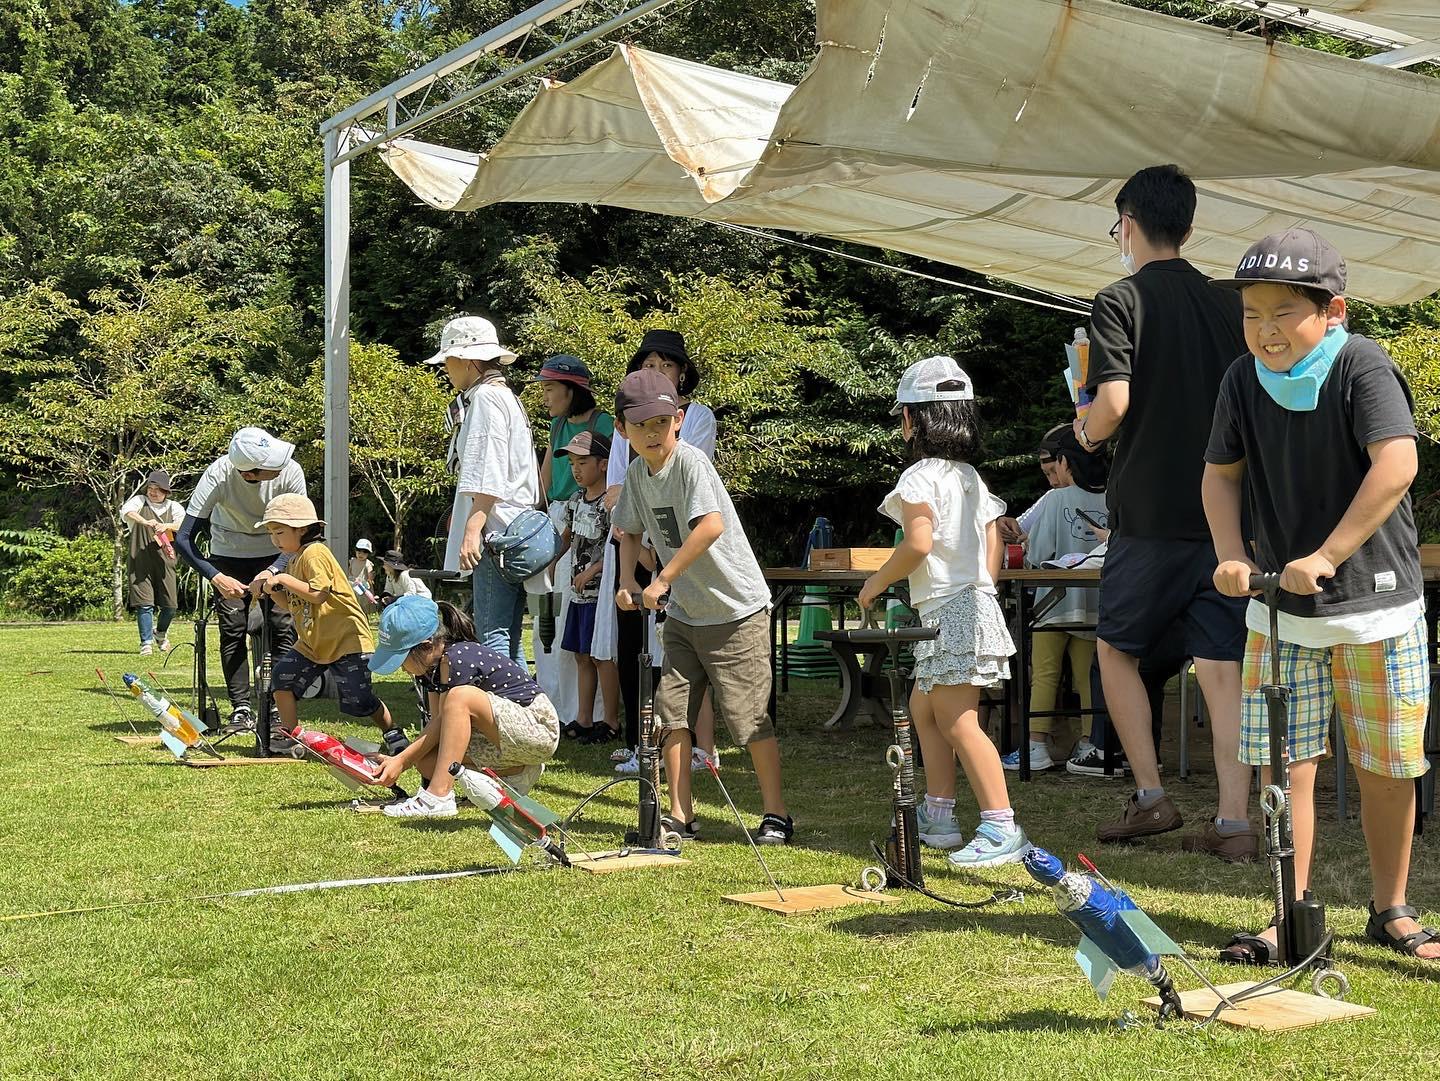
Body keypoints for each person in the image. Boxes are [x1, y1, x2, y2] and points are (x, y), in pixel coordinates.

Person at [1204, 228, 1438, 964]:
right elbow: (1219, 475)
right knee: (1286, 769)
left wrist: (1328, 556)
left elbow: (1397, 464)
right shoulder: (1242, 379)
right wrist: (1231, 554)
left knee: (1387, 768)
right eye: (1252, 313)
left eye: (1283, 312)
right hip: (1280, 613)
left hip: (1377, 608)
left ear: (1332, 310)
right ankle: (1291, 916)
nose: (1265, 329)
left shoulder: (1362, 364)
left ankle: (1392, 908)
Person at [1074, 164, 1255, 860]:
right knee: (1222, 664)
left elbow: (1113, 403)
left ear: (1127, 224)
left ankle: (1150, 795)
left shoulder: (1119, 299)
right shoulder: (1228, 303)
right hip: (1227, 515)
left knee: (1115, 649)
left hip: (1149, 513)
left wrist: (1084, 431)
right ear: (1188, 223)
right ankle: (1235, 822)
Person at [858, 356, 1030, 868]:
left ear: (912, 419)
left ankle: (1001, 826)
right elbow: (994, 540)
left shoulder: (919, 477)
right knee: (924, 711)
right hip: (965, 606)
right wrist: (982, 590)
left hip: (952, 611)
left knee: (957, 720)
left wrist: (876, 582)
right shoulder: (971, 478)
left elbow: (917, 543)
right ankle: (939, 815)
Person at [612, 368, 792, 843]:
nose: (652, 433)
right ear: (622, 429)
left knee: (748, 719)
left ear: (678, 419)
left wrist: (662, 578)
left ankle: (776, 814)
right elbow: (628, 530)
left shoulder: (690, 463)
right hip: (685, 616)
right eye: (640, 425)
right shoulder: (636, 474)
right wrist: (627, 579)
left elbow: (710, 525)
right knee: (671, 713)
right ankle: (681, 815)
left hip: (736, 611)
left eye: (661, 422)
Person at [601, 329, 720, 774]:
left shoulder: (698, 417)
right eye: (647, 364)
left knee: (683, 651)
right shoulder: (625, 421)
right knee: (633, 644)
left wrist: (658, 553)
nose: (656, 371)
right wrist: (635, 542)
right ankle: (640, 743)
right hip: (632, 540)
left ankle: (698, 746)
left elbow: (683, 479)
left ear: (682, 372)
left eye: (665, 364)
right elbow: (616, 490)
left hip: (681, 545)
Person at [370, 596, 560, 818]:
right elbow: (438, 727)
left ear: (427, 646)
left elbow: (444, 717)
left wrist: (402, 760)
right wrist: (404, 759)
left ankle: (438, 797)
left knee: (459, 696)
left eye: (402, 659)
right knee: (427, 760)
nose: (402, 668)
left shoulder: (457, 658)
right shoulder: (430, 669)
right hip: (508, 739)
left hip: (538, 728)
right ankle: (517, 772)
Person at [174, 426, 306, 735]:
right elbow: (183, 538)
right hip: (228, 553)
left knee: (282, 626)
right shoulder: (218, 475)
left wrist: (274, 569)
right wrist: (216, 577)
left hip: (278, 551)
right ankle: (241, 708)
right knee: (232, 629)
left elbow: (303, 532)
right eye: (270, 464)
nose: (279, 465)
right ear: (249, 474)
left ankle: (276, 705)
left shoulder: (291, 471)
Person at [429, 315, 543, 664]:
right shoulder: (505, 396)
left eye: (449, 359)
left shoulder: (485, 399)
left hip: (496, 532)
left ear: (469, 360)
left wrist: (472, 530)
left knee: (492, 633)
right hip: (515, 528)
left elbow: (488, 469)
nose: (446, 367)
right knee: (507, 634)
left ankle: (502, 699)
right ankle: (522, 698)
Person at [253, 495, 401, 752]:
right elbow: (291, 604)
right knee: (281, 678)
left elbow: (318, 593)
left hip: (345, 640)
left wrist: (282, 580)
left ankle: (393, 732)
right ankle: (291, 736)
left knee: (360, 699)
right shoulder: (294, 559)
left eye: (279, 532)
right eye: (271, 533)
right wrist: (269, 590)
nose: (274, 540)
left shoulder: (315, 553)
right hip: (313, 642)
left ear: (301, 529)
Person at [1001, 427, 1109, 773]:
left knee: (1045, 674)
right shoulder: (1111, 498)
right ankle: (1091, 742)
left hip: (1052, 605)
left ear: (1065, 462)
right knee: (1088, 677)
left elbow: (1038, 553)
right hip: (1094, 604)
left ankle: (1036, 746)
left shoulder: (1054, 500)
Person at [532, 354, 616, 740]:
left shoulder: (603, 423)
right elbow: (546, 477)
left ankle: (590, 713)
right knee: (548, 619)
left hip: (592, 521)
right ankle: (554, 704)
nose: (545, 396)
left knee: (579, 621)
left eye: (550, 388)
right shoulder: (557, 425)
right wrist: (533, 516)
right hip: (556, 521)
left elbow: (614, 472)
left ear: (572, 390)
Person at [552, 431, 621, 743]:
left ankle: (611, 720)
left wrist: (593, 570)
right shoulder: (575, 501)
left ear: (603, 464)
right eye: (571, 463)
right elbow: (567, 538)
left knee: (601, 657)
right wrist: (552, 559)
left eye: (582, 462)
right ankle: (584, 718)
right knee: (581, 655)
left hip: (601, 595)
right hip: (578, 594)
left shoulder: (611, 504)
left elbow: (616, 547)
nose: (575, 470)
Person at [120, 469, 185, 655]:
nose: (153, 492)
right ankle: (146, 643)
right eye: (150, 488)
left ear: (166, 491)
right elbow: (127, 511)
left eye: (157, 489)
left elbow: (183, 524)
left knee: (170, 605)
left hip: (166, 562)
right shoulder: (140, 502)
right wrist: (145, 521)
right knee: (144, 603)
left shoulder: (174, 507)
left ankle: (160, 632)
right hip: (140, 562)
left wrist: (166, 526)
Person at [997, 423, 1069, 545]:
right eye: (1047, 474)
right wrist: (1005, 525)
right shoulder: (1052, 497)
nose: (1053, 482)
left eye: (1055, 471)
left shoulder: (1103, 497)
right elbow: (1020, 530)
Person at [349, 539, 376, 608]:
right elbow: (350, 571)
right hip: (353, 583)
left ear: (368, 554)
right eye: (359, 552)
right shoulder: (353, 561)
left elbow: (370, 576)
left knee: (363, 602)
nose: (361, 554)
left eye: (364, 553)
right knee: (353, 600)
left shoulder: (367, 563)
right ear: (355, 551)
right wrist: (351, 578)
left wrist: (370, 580)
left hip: (363, 584)